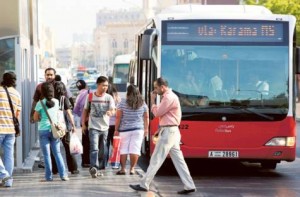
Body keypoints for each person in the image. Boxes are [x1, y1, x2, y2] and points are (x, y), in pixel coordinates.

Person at [129, 77, 196, 195]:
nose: (155, 90)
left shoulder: (168, 97)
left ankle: (144, 184)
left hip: (169, 132)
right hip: (172, 131)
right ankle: (189, 185)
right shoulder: (170, 96)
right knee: (179, 161)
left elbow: (157, 113)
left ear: (162, 87)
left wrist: (153, 101)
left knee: (156, 159)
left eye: (156, 87)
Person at [33, 82, 69, 181]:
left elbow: (35, 118)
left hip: (43, 130)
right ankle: (63, 175)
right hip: (55, 130)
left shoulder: (40, 103)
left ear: (43, 92)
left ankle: (49, 177)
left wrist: (40, 117)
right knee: (57, 153)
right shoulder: (57, 102)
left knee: (46, 155)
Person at [81, 76, 115, 178]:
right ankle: (94, 168)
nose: (105, 87)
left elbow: (114, 109)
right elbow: (85, 110)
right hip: (93, 127)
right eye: (103, 85)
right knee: (94, 148)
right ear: (98, 85)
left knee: (103, 150)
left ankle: (99, 168)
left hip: (105, 128)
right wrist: (83, 124)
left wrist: (111, 112)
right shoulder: (90, 96)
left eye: (106, 85)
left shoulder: (109, 97)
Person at [114, 85, 149, 175]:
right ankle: (132, 169)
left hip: (124, 130)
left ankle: (123, 169)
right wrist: (146, 129)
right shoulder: (142, 103)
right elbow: (146, 117)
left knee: (123, 149)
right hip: (138, 130)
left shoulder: (122, 103)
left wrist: (116, 129)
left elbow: (118, 117)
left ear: (128, 92)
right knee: (135, 149)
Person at [30, 68, 57, 171]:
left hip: (57, 121)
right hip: (43, 119)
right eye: (47, 75)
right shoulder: (39, 87)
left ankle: (55, 167)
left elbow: (65, 101)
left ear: (55, 75)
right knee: (45, 145)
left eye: (51, 74)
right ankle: (44, 163)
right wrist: (31, 115)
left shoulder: (59, 85)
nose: (49, 76)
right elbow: (35, 101)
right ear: (44, 75)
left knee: (57, 146)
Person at [0, 72, 21, 187]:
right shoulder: (17, 94)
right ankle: (8, 182)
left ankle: (4, 175)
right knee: (9, 155)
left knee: (8, 155)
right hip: (11, 129)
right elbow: (17, 115)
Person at [53, 81, 79, 174]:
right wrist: (73, 125)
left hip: (54, 126)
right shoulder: (64, 99)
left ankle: (55, 169)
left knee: (54, 148)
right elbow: (69, 113)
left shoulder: (50, 99)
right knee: (68, 148)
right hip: (64, 127)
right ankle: (73, 169)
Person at [73, 79, 90, 167]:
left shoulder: (79, 95)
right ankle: (92, 160)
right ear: (86, 85)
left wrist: (81, 115)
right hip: (92, 120)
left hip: (83, 121)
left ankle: (85, 161)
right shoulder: (90, 93)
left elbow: (76, 110)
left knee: (85, 141)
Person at [106, 83, 121, 167]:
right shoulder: (117, 99)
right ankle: (115, 163)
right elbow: (119, 114)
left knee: (105, 145)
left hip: (106, 125)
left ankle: (104, 162)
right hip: (115, 125)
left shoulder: (105, 98)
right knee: (115, 145)